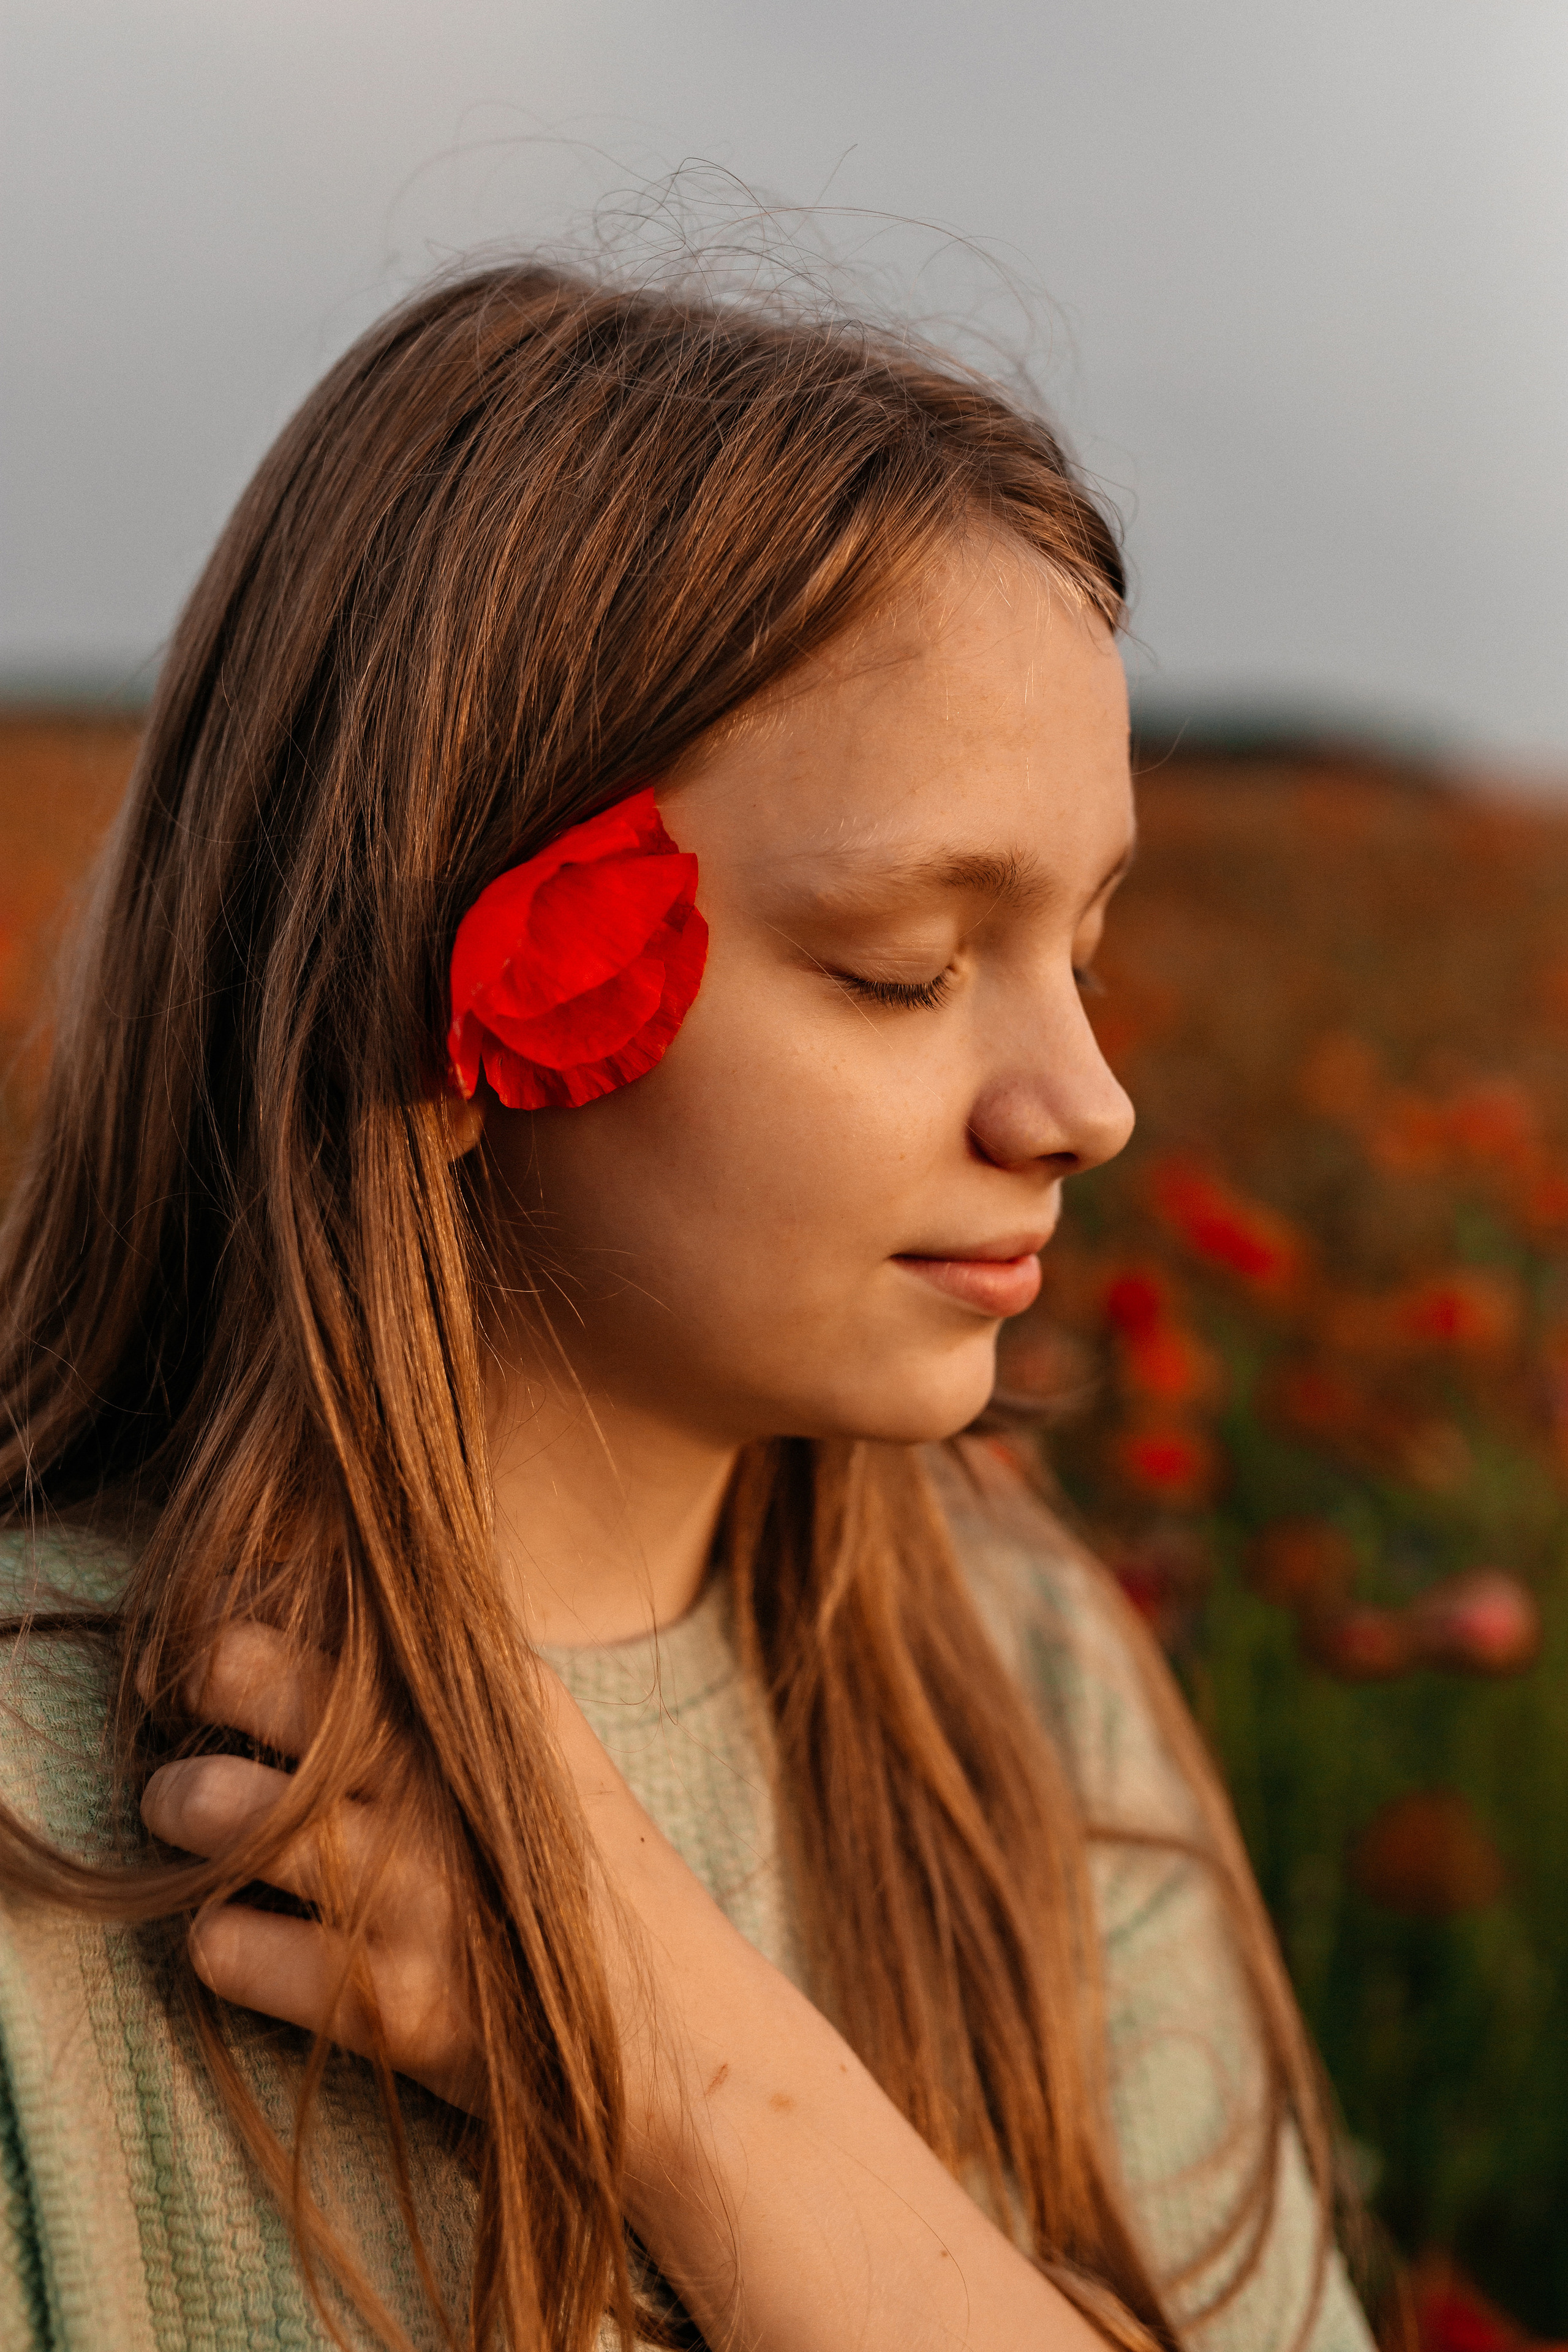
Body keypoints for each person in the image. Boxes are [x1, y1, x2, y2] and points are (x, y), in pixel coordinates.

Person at [0, 261, 1376, 2352]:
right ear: (451, 964)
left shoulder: (1024, 1682)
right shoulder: (43, 1824)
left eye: (1085, 947)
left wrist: (687, 2067)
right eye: (908, 967)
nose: (1088, 1103)